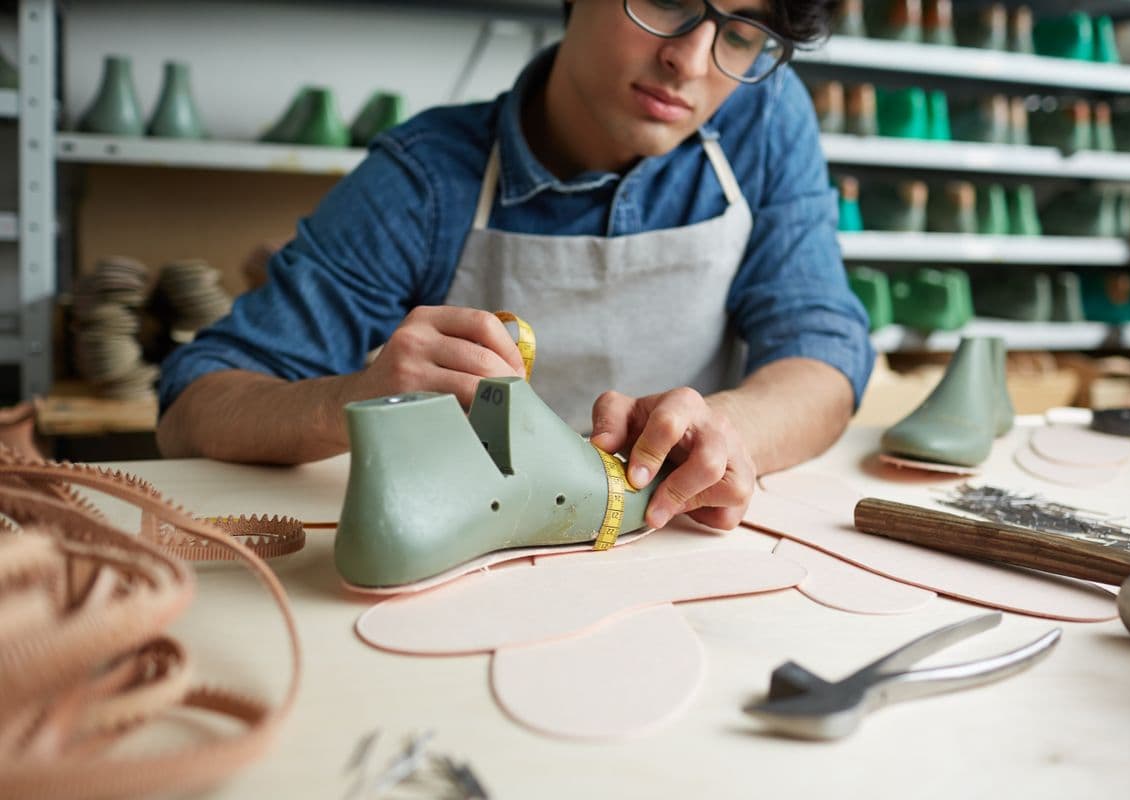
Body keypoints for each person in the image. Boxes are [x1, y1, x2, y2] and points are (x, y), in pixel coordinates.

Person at [157, 0, 872, 532]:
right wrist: (354, 400)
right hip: (473, 551)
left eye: (741, 34)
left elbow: (823, 353)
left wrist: (726, 428)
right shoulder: (427, 178)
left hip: (668, 543)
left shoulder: (760, 119)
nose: (690, 61)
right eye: (667, 2)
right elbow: (192, 407)